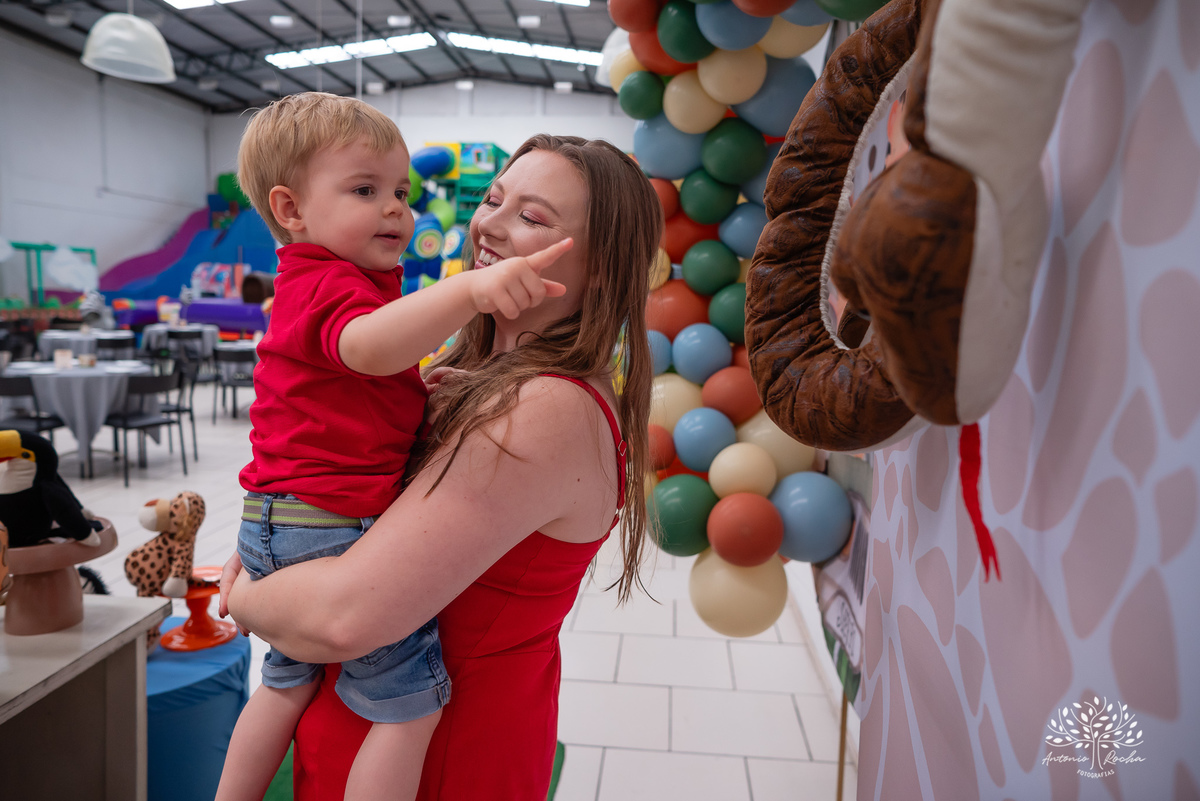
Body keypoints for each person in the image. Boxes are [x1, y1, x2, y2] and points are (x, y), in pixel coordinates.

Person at [221, 134, 662, 799]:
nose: (488, 224)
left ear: (601, 266)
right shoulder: (483, 372)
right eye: (493, 199)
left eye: (532, 216)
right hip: (372, 721)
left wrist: (246, 595)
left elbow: (345, 617)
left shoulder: (545, 407)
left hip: (443, 749)